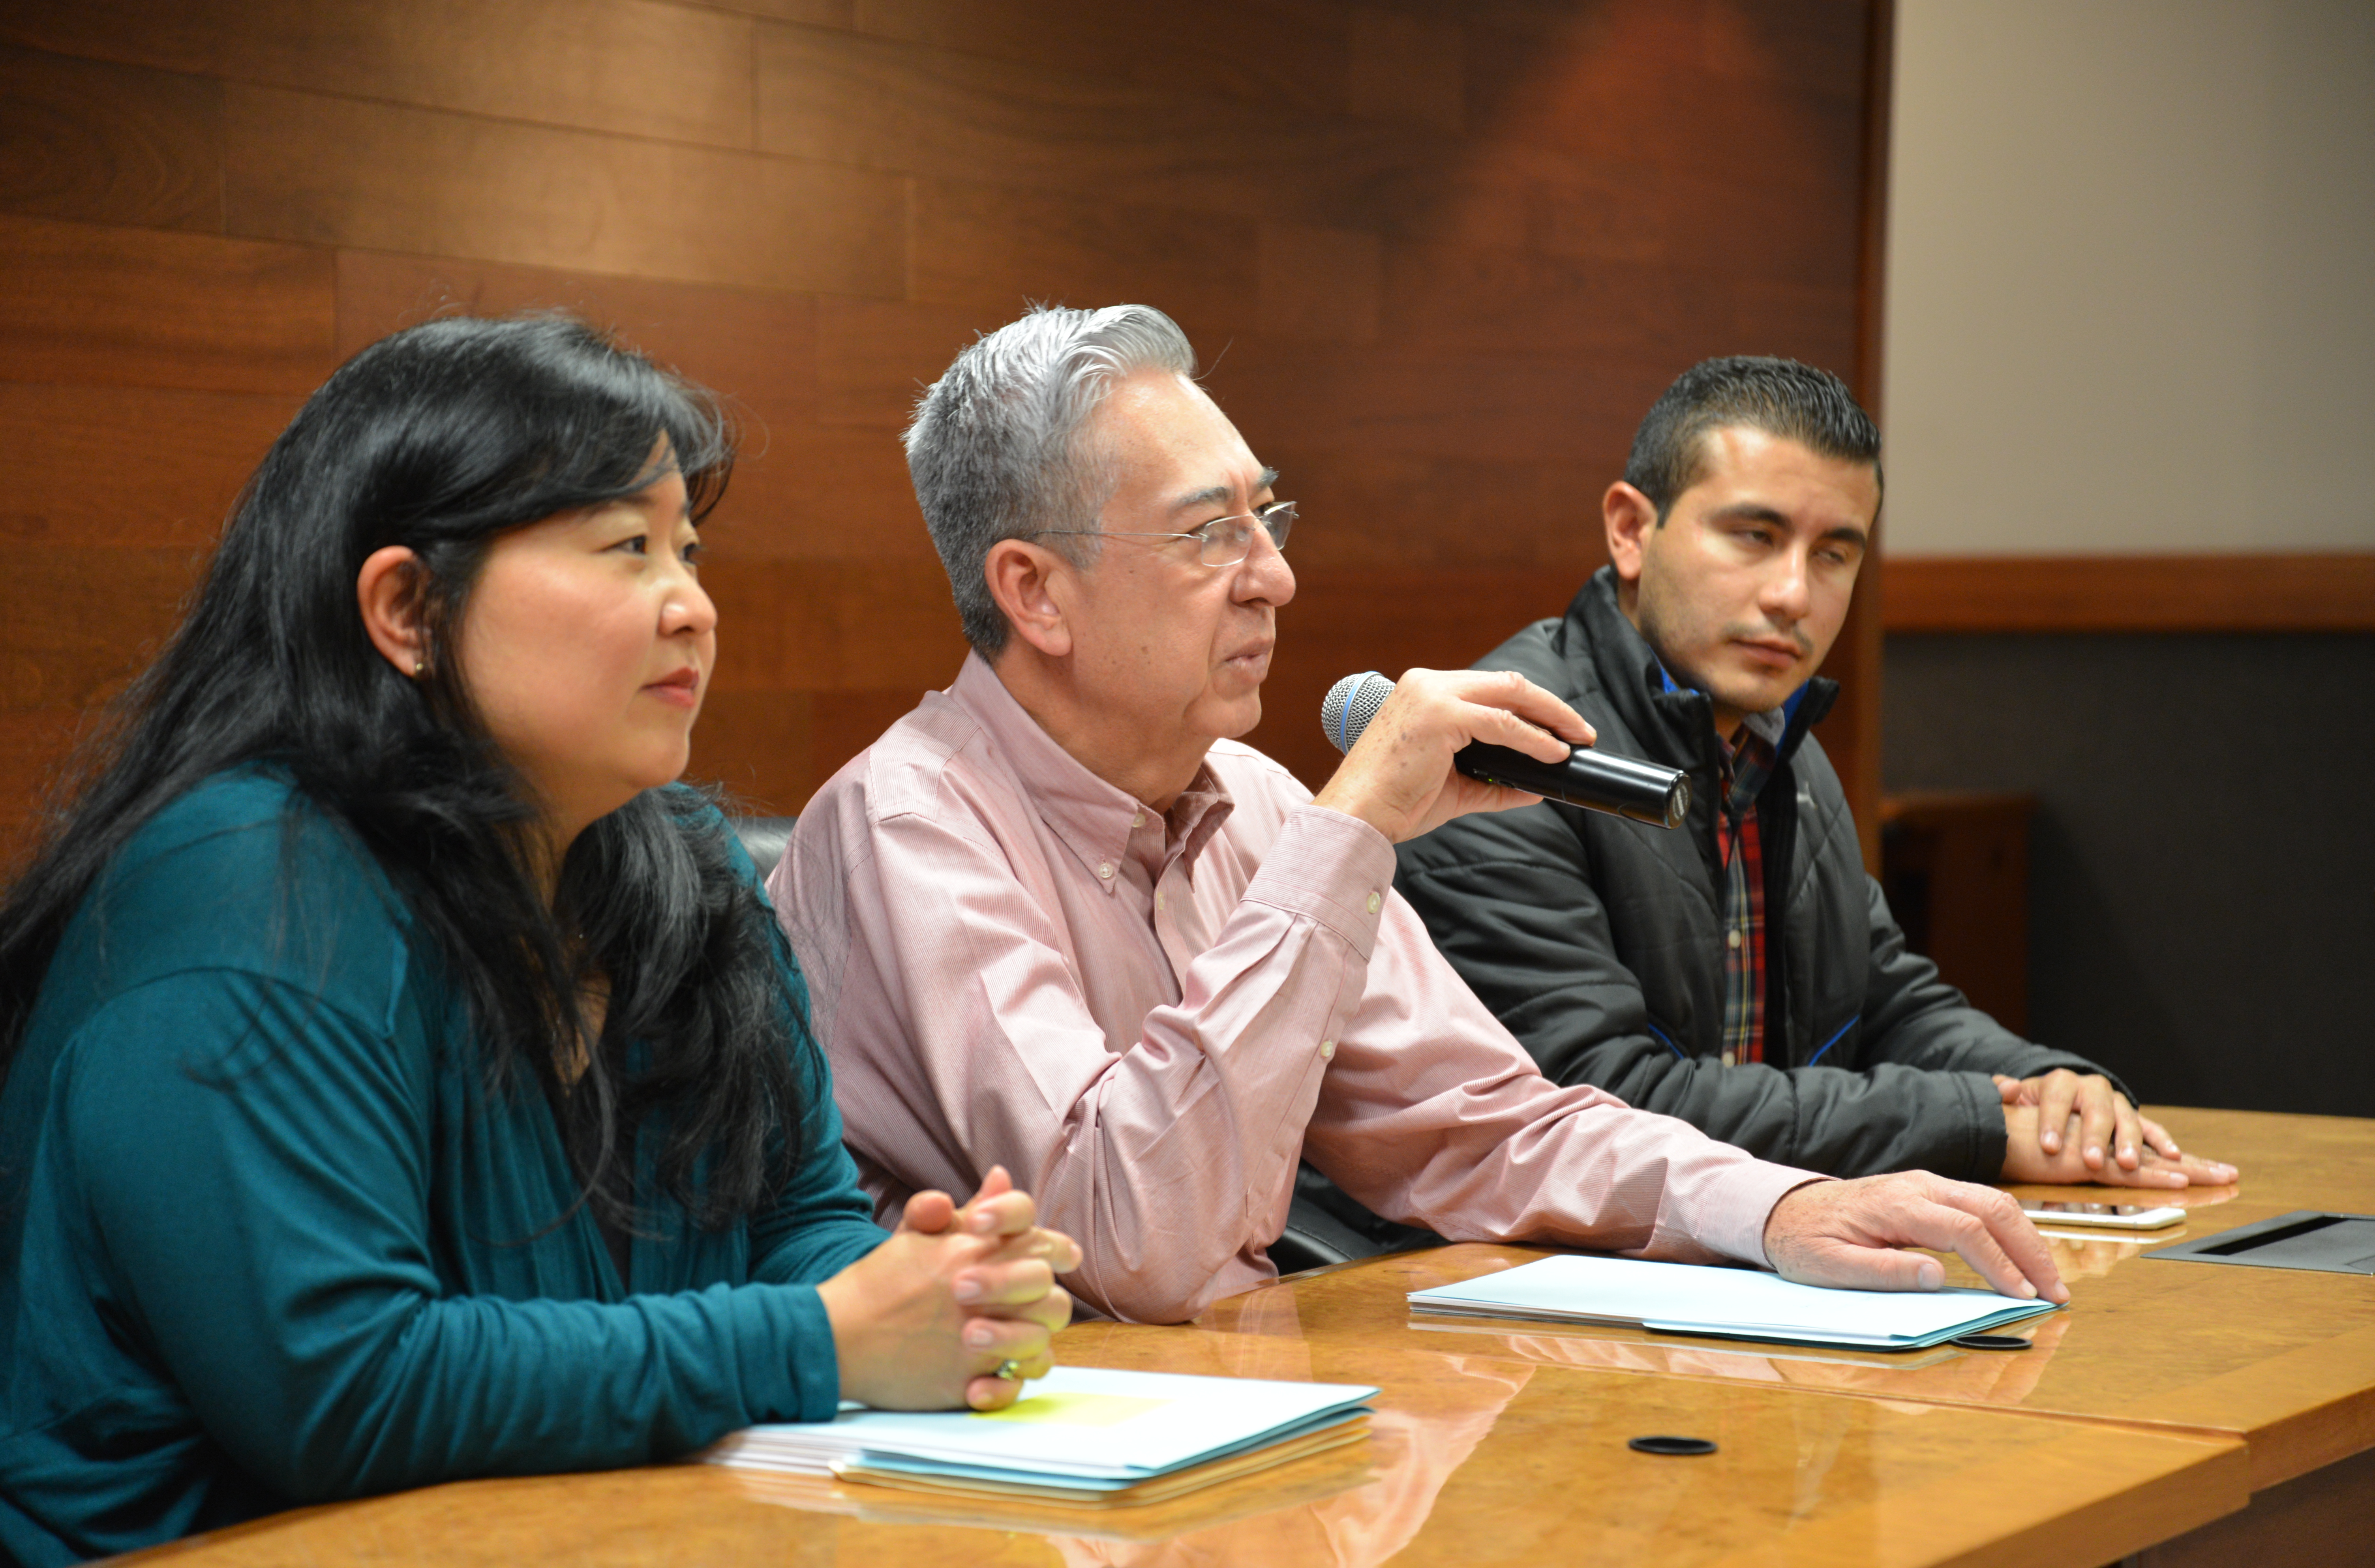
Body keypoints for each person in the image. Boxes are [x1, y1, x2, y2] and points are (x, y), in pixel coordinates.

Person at [0, 317, 1077, 1566]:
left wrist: (933, 1287)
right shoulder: (247, 888)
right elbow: (347, 1390)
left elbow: (795, 1226)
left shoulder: (682, 863)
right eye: (627, 548)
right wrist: (826, 1340)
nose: (692, 607)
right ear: (407, 607)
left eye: (689, 548)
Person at [771, 303, 2067, 1326]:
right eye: (1208, 534)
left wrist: (1777, 1208)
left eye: (1265, 516)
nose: (1273, 576)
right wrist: (1352, 835)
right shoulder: (909, 827)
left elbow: (1483, 1122)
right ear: (1036, 594)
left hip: (1240, 1409)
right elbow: (1129, 1241)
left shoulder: (1255, 801)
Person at [1393, 356, 2238, 1188]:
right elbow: (1598, 1105)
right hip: (1480, 1288)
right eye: (1752, 537)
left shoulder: (1773, 738)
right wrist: (1975, 1126)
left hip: (1721, 1250)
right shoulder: (1506, 758)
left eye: (1833, 554)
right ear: (1628, 530)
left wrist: (2052, 1088)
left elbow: (1881, 1004)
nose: (1793, 595)